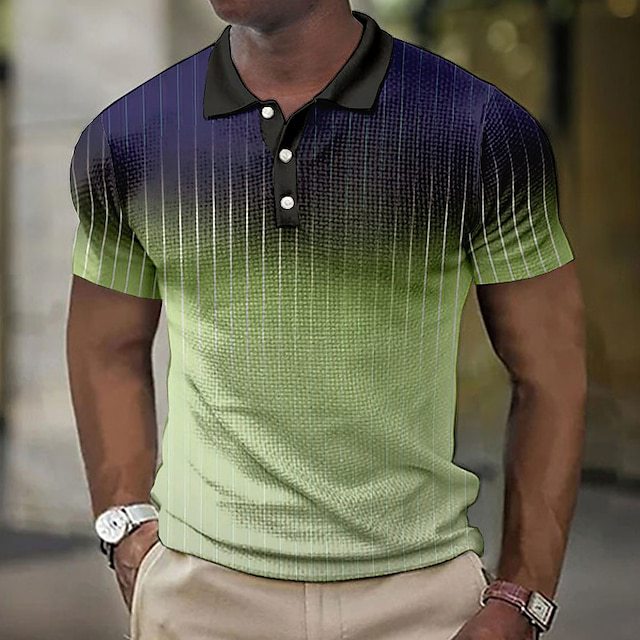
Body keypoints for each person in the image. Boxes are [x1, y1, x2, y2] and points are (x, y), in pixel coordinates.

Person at [65, 2, 586, 639]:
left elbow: (551, 373)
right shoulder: (129, 136)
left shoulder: (479, 129)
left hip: (420, 602)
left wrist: (522, 596)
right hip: (200, 597)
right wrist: (124, 525)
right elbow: (107, 348)